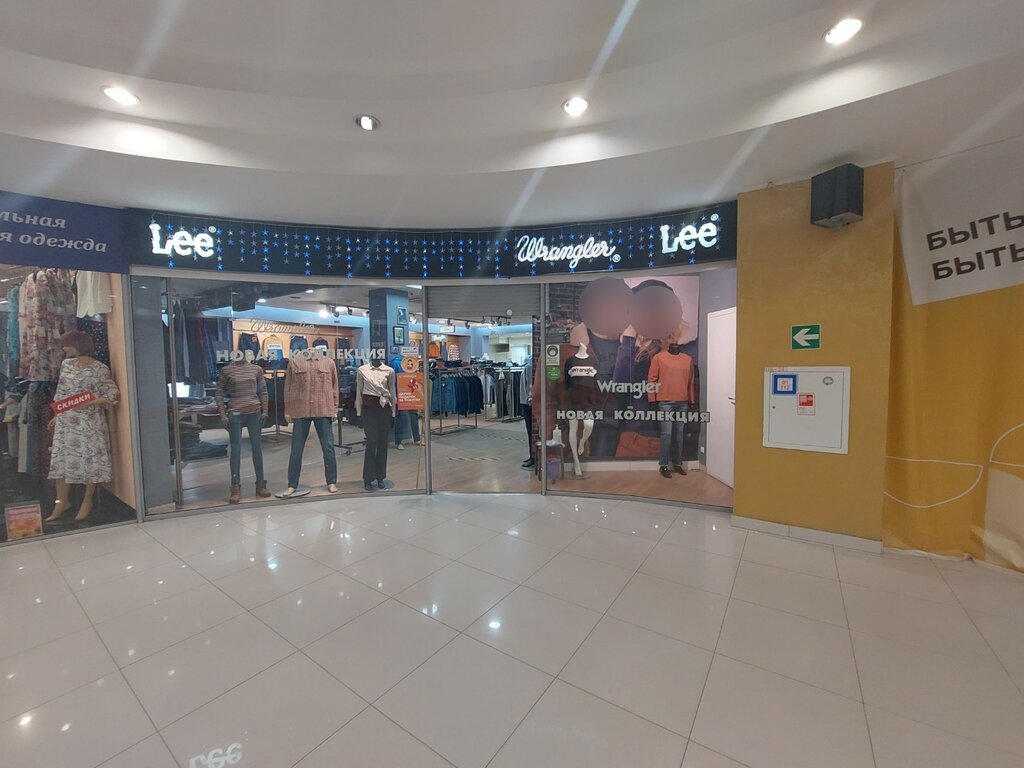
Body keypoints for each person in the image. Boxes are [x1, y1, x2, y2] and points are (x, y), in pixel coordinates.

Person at [46, 330, 119, 522]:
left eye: (68, 344)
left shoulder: (99, 369)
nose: (64, 348)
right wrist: (57, 414)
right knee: (61, 461)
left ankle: (87, 500)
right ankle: (61, 501)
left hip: (89, 421)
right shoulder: (66, 365)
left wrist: (90, 401)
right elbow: (61, 392)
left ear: (79, 345)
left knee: (89, 460)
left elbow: (112, 395)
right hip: (67, 421)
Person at [216, 353, 270, 504]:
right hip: (235, 412)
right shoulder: (226, 370)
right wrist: (222, 414)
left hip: (254, 411)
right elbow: (219, 392)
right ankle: (235, 487)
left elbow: (263, 391)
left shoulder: (256, 369)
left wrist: (265, 411)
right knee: (236, 450)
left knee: (257, 448)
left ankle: (260, 484)